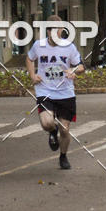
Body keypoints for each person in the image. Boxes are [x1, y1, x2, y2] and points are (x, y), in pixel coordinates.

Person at [25, 15, 85, 169]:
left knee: (65, 130)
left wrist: (72, 71)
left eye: (58, 29)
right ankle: (52, 131)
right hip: (45, 90)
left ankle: (63, 156)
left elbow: (81, 67)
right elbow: (30, 58)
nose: (55, 32)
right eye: (52, 29)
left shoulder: (69, 47)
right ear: (48, 30)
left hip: (65, 92)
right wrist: (32, 75)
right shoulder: (39, 45)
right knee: (46, 123)